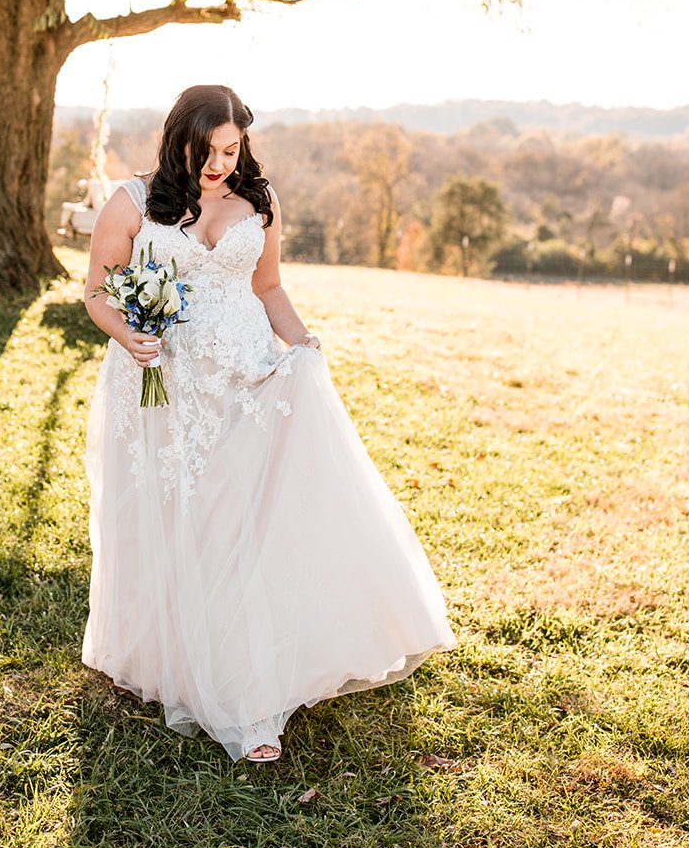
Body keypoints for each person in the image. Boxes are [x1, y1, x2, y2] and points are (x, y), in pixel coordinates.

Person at [81, 84, 456, 763]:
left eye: (231, 149)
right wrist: (126, 336)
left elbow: (268, 287)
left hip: (249, 376)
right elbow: (98, 290)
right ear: (177, 142)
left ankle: (255, 689)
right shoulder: (130, 202)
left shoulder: (260, 200)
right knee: (183, 521)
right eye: (205, 151)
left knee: (244, 522)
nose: (219, 164)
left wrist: (302, 345)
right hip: (166, 386)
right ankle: (192, 666)